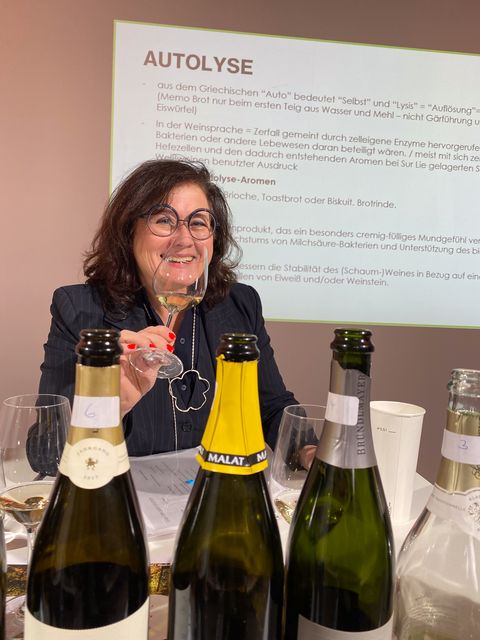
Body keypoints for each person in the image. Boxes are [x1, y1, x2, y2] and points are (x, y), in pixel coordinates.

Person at [39, 159, 297, 456]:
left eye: (198, 223)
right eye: (164, 220)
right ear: (128, 232)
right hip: (123, 485)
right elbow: (44, 451)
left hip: (211, 482)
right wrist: (111, 405)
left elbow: (272, 407)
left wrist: (309, 450)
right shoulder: (79, 309)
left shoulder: (241, 304)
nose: (184, 239)